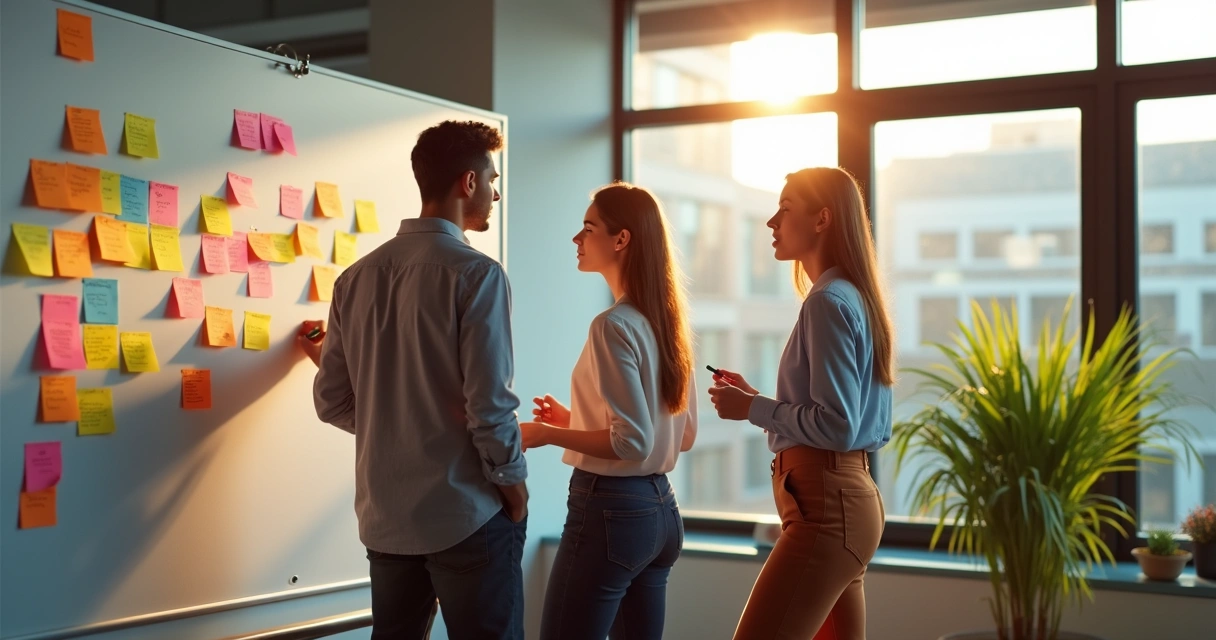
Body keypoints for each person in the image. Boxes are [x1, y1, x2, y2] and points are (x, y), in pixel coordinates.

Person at [312, 120, 528, 640]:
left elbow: (331, 401)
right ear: (468, 183)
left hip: (387, 520)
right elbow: (490, 410)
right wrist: (514, 491)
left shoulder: (354, 277)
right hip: (467, 516)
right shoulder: (478, 274)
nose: (496, 192)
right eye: (491, 178)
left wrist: (400, 431)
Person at [708, 167, 894, 640]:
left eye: (785, 209)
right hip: (843, 500)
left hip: (827, 509)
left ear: (822, 219)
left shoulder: (827, 302)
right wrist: (756, 400)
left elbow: (836, 425)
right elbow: (842, 420)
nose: (771, 221)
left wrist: (752, 409)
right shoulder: (850, 296)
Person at [520, 182, 697, 640]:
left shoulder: (612, 325)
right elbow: (682, 435)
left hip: (611, 511)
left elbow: (631, 441)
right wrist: (575, 421)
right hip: (661, 515)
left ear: (621, 239)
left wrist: (546, 433)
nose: (576, 240)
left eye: (588, 228)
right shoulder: (668, 323)